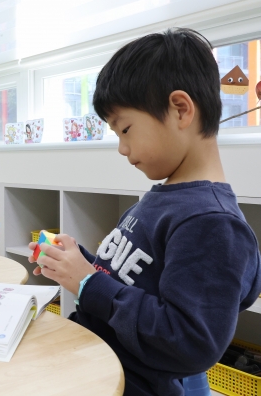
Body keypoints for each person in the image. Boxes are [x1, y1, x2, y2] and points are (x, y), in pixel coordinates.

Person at [29, 28, 261, 395]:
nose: (122, 148)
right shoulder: (164, 197)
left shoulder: (212, 223)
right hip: (94, 360)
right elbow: (128, 280)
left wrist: (88, 283)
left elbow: (189, 342)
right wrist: (76, 261)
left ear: (180, 109)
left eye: (126, 129)